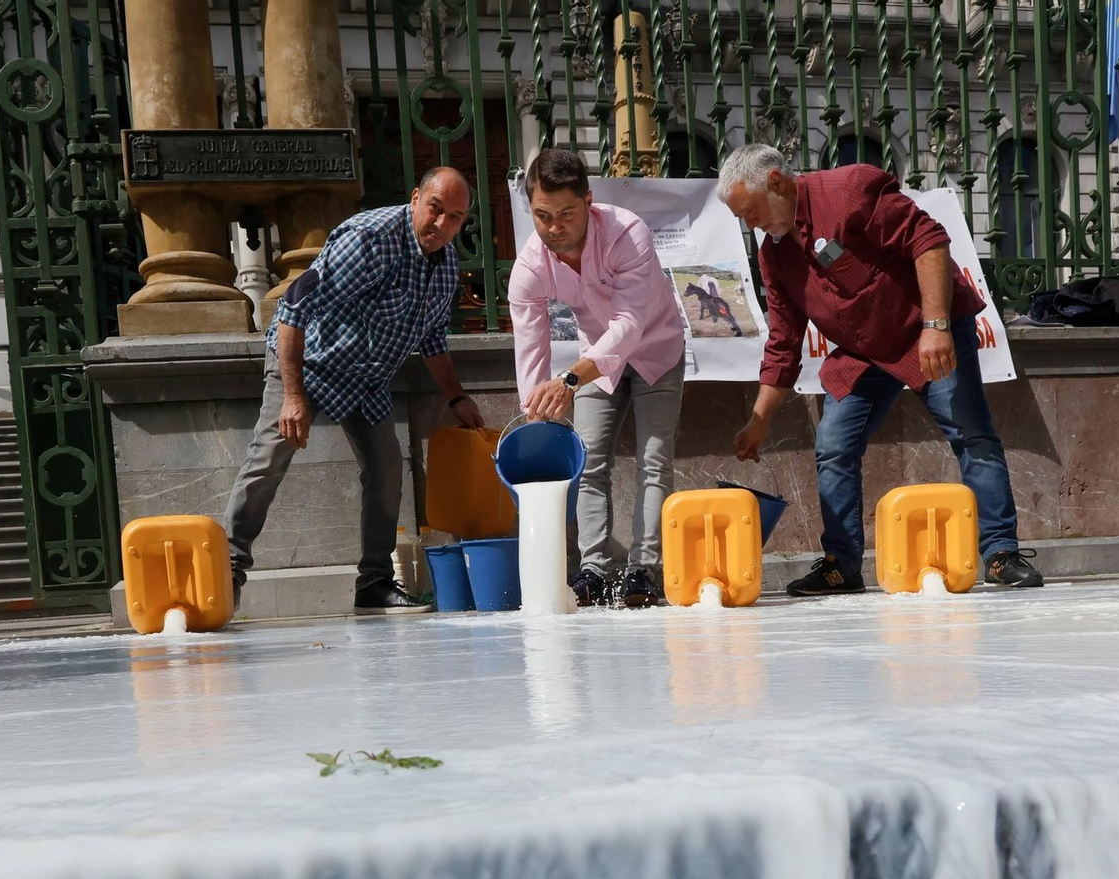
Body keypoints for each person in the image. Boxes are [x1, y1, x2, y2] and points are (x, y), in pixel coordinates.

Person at [719, 144, 1044, 594]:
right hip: (863, 350)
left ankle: (1000, 552)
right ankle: (841, 565)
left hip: (924, 325)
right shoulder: (774, 255)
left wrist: (936, 326)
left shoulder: (850, 189)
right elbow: (784, 341)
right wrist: (760, 419)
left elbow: (928, 240)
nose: (750, 224)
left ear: (776, 181)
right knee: (833, 445)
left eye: (751, 211)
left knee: (970, 432)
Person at [226, 167, 486, 614]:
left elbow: (433, 340)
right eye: (435, 210)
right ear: (415, 197)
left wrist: (457, 397)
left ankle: (374, 585)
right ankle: (225, 571)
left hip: (366, 379)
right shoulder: (369, 240)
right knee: (267, 461)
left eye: (456, 218)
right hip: (308, 363)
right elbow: (292, 307)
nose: (442, 226)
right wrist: (293, 396)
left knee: (387, 471)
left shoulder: (445, 266)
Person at [509, 148, 685, 608]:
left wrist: (568, 380)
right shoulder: (529, 266)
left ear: (588, 201)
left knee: (653, 459)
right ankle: (593, 571)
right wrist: (534, 417)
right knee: (588, 462)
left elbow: (629, 325)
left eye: (566, 213)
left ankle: (644, 569)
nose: (554, 227)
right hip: (595, 366)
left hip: (656, 351)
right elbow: (530, 346)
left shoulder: (627, 232)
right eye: (542, 216)